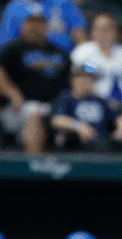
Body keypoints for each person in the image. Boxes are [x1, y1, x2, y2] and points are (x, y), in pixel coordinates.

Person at [0, 7, 71, 154]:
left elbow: (79, 70)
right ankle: (34, 162)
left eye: (39, 24)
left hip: (53, 107)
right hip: (19, 107)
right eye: (31, 24)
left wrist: (92, 68)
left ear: (46, 27)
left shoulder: (59, 52)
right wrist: (13, 93)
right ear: (23, 26)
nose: (35, 28)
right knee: (34, 112)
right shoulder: (11, 49)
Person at [70, 13, 122, 110]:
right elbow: (78, 83)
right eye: (97, 29)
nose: (102, 33)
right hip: (94, 104)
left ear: (116, 32)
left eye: (106, 29)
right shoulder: (83, 52)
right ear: (92, 32)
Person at [51, 62, 122, 152]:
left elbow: (118, 118)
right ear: (73, 80)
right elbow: (57, 120)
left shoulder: (100, 100)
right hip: (77, 142)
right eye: (82, 78)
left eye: (89, 78)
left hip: (101, 141)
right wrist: (78, 126)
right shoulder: (66, 98)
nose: (86, 81)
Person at [0, 0, 86, 53]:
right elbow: (6, 41)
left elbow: (78, 31)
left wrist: (84, 52)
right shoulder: (14, 7)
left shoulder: (64, 2)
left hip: (63, 57)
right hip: (25, 59)